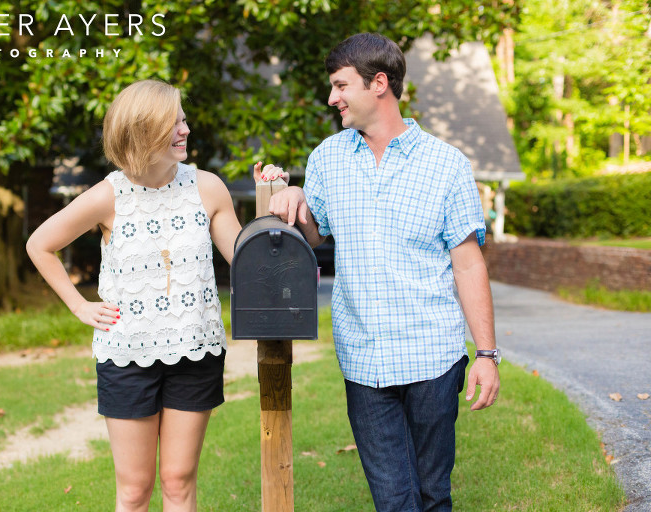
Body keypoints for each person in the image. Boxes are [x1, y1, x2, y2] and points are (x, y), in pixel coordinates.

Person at [261, 33, 501, 511]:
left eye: (340, 85)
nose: (332, 98)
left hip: (432, 357)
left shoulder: (446, 165)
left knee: (433, 496)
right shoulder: (328, 157)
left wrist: (487, 354)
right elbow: (315, 234)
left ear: (378, 84)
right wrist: (292, 199)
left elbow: (469, 263)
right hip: (363, 360)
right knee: (393, 500)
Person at [27, 79, 264, 512]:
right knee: (134, 491)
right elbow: (39, 244)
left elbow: (247, 262)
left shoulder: (208, 188)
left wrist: (269, 201)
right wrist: (79, 305)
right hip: (126, 359)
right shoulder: (107, 196)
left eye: (184, 119)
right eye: (173, 122)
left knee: (178, 483)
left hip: (196, 351)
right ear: (142, 130)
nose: (185, 129)